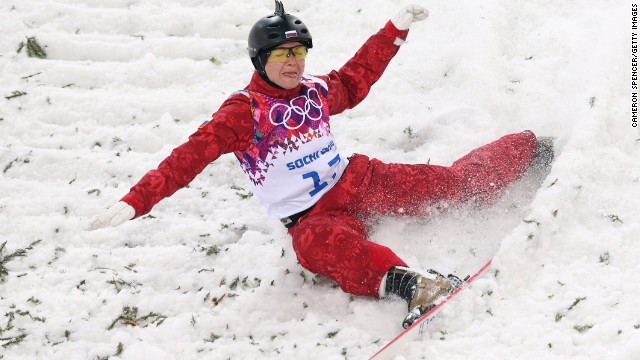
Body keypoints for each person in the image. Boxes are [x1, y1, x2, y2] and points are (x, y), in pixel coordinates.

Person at [86, 1, 553, 328]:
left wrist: (392, 31)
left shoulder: (313, 90)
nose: (292, 63)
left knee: (449, 184)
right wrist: (134, 202)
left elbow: (353, 80)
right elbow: (185, 159)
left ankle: (531, 147)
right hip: (313, 215)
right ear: (260, 58)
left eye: (299, 52)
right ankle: (415, 285)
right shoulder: (242, 113)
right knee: (315, 249)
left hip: (357, 180)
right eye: (282, 54)